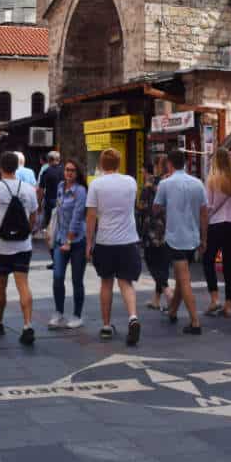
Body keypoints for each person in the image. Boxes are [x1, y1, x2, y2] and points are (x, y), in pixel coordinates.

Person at [86, 148, 141, 345]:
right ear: (119, 163)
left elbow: (91, 216)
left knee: (106, 282)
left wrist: (89, 243)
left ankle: (107, 325)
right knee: (126, 282)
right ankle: (133, 317)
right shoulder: (130, 182)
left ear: (101, 164)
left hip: (105, 240)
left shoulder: (96, 185)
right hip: (128, 239)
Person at [0, 151, 38, 346]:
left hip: (0, 247)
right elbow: (33, 218)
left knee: (0, 286)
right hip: (23, 246)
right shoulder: (29, 189)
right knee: (23, 284)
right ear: (17, 167)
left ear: (0, 167)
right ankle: (27, 325)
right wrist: (25, 233)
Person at [153, 150, 208, 335]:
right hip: (192, 237)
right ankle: (173, 311)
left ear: (169, 163)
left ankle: (195, 321)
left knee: (183, 280)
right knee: (180, 277)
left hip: (175, 237)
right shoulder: (198, 183)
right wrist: (204, 237)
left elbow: (156, 208)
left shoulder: (165, 184)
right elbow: (203, 213)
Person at [203, 147, 231, 318]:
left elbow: (209, 206)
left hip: (217, 224)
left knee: (208, 260)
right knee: (229, 264)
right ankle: (228, 305)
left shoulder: (213, 179)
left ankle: (214, 298)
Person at [48, 159, 87, 329]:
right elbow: (57, 211)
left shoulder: (80, 191)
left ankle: (77, 315)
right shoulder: (60, 187)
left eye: (72, 170)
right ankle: (58, 312)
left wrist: (69, 241)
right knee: (57, 277)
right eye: (66, 170)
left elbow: (77, 217)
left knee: (77, 279)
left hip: (77, 240)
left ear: (77, 173)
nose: (69, 173)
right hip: (60, 238)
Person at [139, 156, 172, 311]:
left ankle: (167, 291)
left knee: (151, 261)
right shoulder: (172, 182)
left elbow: (142, 206)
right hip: (169, 229)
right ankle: (157, 300)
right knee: (163, 263)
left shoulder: (151, 183)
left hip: (152, 228)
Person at [37, 151, 63, 232]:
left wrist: (39, 204)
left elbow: (41, 190)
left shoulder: (46, 172)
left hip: (50, 201)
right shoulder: (65, 171)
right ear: (59, 159)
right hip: (63, 201)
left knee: (49, 224)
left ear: (49, 160)